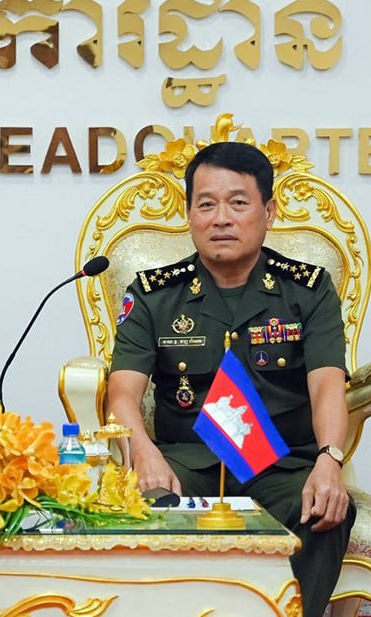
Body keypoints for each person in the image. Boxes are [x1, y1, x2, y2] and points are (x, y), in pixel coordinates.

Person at [106, 141, 355, 617]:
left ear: (269, 212)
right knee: (143, 501)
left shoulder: (308, 289)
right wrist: (144, 454)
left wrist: (329, 459)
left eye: (238, 203)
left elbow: (328, 384)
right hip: (189, 463)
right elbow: (121, 393)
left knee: (322, 508)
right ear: (189, 214)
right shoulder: (155, 294)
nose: (221, 218)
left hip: (283, 464)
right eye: (206, 204)